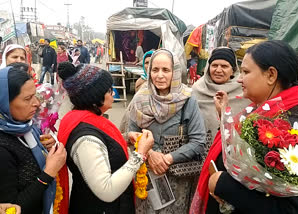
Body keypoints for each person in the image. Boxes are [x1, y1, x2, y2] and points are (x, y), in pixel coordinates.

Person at [191, 40, 298, 214]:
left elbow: (294, 209)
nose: (239, 79)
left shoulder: (294, 127)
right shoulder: (260, 111)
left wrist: (223, 184)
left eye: (245, 72)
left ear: (271, 75)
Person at [56, 62, 154, 214]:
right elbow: (107, 190)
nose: (114, 93)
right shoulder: (85, 139)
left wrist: (126, 137)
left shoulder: (88, 119)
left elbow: (102, 145)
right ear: (94, 99)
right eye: (109, 91)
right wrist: (140, 154)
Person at [129, 49, 206, 214]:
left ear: (175, 72)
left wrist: (166, 159)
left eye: (166, 70)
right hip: (147, 174)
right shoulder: (140, 98)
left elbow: (198, 141)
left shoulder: (187, 100)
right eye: (155, 70)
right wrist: (150, 154)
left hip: (177, 177)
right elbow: (130, 133)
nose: (159, 75)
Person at [0, 65, 67, 214]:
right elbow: (13, 208)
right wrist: (48, 172)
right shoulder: (2, 148)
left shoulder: (25, 127)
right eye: (27, 98)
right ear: (4, 102)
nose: (37, 103)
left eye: (35, 95)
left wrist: (47, 148)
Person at [192, 47, 249, 135]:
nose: (218, 70)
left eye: (224, 66)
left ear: (233, 71)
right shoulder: (198, 89)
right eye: (214, 65)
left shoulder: (244, 90)